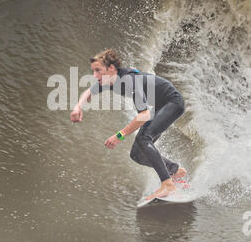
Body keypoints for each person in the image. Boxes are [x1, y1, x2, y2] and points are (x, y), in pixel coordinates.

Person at [70, 49, 187, 202]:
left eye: (98, 70)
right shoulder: (110, 81)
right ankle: (175, 171)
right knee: (137, 154)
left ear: (111, 68)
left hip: (173, 102)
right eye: (93, 71)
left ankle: (167, 184)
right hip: (160, 106)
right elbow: (90, 91)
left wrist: (120, 135)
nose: (95, 75)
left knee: (144, 139)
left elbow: (143, 115)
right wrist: (78, 107)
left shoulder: (129, 81)